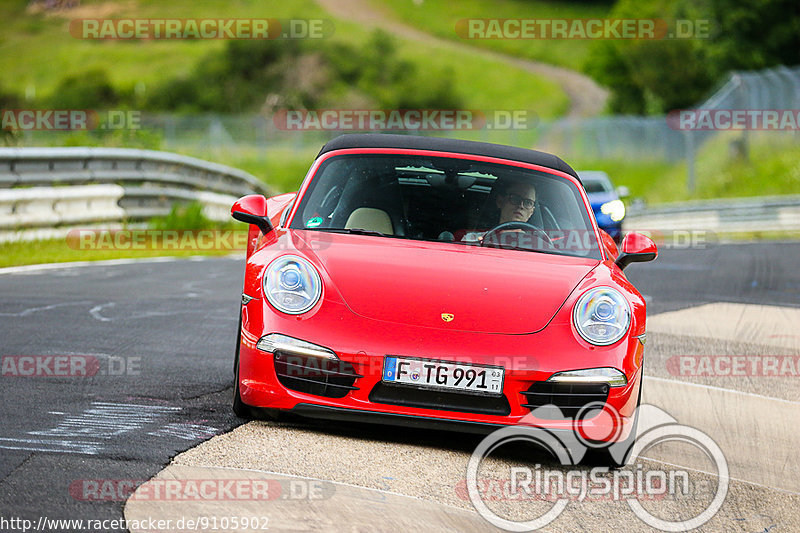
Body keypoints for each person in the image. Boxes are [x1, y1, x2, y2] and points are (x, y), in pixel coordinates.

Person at [455, 179, 537, 243]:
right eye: (515, 198)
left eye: (528, 203)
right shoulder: (473, 239)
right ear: (500, 201)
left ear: (531, 212)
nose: (521, 206)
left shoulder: (539, 246)